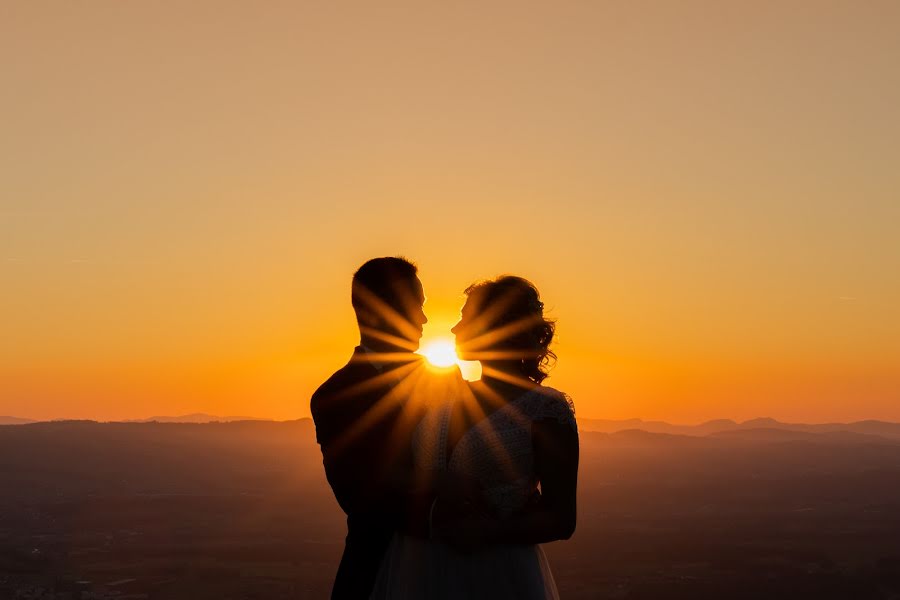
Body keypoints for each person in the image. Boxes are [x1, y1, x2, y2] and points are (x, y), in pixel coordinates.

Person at [371, 276, 579, 599]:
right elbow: (391, 472)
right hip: (420, 571)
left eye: (465, 318)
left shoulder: (546, 412)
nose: (454, 329)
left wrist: (490, 532)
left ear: (497, 326)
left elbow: (562, 519)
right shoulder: (440, 397)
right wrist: (435, 481)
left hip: (498, 575)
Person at [311, 257, 462, 599]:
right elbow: (359, 495)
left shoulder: (446, 377)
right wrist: (451, 514)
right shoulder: (335, 395)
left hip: (454, 567)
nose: (424, 318)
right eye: (414, 305)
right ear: (373, 312)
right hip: (377, 568)